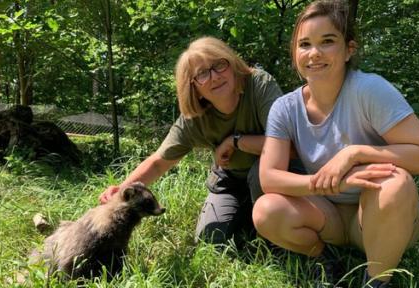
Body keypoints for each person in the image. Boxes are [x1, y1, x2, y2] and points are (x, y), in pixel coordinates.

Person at [251, 1, 419, 287]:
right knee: (266, 210)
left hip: (384, 213)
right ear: (294, 53)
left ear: (349, 49)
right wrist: (325, 182)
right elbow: (269, 178)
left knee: (395, 182)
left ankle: (378, 280)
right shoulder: (285, 108)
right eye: (304, 44)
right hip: (329, 217)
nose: (314, 53)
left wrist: (355, 153)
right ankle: (324, 258)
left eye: (327, 41)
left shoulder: (369, 90)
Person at [100, 36, 283, 247]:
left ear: (232, 65)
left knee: (260, 174)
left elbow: (286, 144)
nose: (214, 77)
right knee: (209, 241)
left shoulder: (259, 85)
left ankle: (273, 237)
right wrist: (121, 191)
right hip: (229, 180)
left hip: (270, 173)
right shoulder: (193, 120)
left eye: (219, 65)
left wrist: (235, 141)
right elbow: (159, 161)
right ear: (193, 85)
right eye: (202, 74)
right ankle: (249, 216)